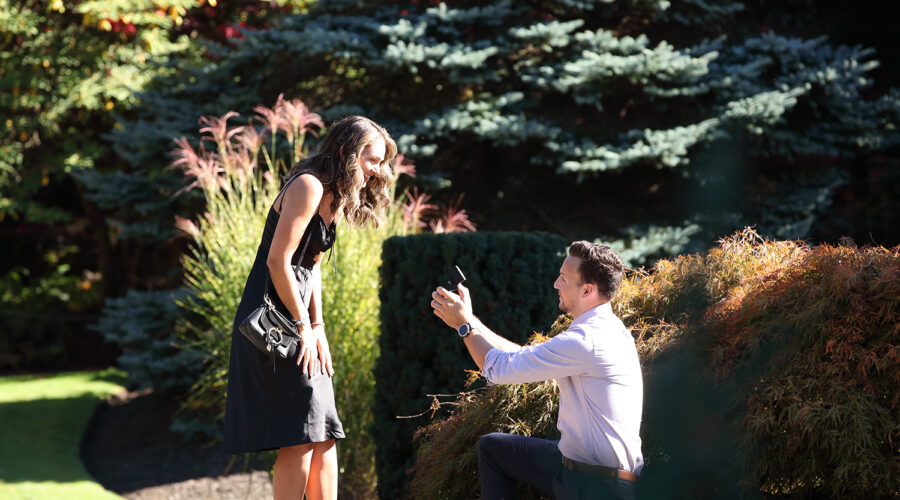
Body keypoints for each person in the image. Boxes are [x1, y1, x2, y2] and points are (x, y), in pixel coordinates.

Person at [223, 115, 397, 500]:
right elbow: (278, 261)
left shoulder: (334, 195)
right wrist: (302, 326)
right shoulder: (308, 186)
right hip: (272, 322)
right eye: (372, 159)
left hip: (300, 320)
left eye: (382, 161)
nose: (378, 170)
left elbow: (311, 267)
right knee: (301, 434)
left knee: (324, 431)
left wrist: (319, 329)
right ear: (345, 151)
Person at [431, 241, 643, 500]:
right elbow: (518, 356)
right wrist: (471, 318)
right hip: (576, 467)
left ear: (587, 290)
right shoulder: (604, 329)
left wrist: (463, 326)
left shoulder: (587, 341)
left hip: (598, 486)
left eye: (564, 279)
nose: (556, 283)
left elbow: (497, 369)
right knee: (494, 448)